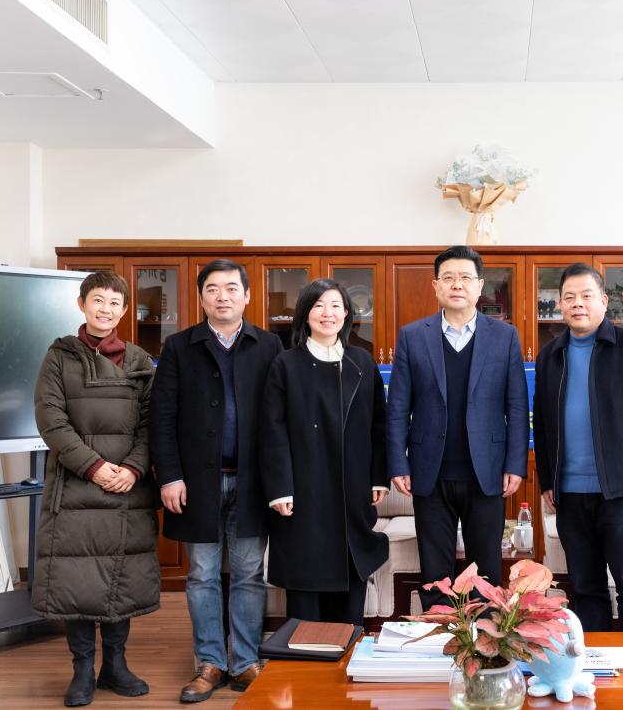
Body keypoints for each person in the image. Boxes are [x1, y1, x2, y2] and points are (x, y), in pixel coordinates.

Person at [150, 259, 284, 703]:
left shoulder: (269, 345)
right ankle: (210, 663)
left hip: (252, 482)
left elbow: (281, 418)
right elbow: (162, 418)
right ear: (201, 297)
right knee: (202, 575)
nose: (222, 296)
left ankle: (244, 661)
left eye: (231, 288)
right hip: (196, 483)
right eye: (212, 289)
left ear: (247, 295)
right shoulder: (178, 346)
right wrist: (170, 476)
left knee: (249, 574)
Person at [32, 271, 158, 707]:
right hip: (76, 486)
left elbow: (151, 424)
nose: (106, 309)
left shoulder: (139, 361)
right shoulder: (59, 357)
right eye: (98, 300)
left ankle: (116, 666)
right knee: (77, 581)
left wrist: (134, 468)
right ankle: (83, 669)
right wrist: (95, 466)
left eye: (114, 303)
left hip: (128, 487)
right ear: (81, 304)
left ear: (124, 310)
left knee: (123, 578)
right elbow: (50, 420)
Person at [386, 245, 529, 610]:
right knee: (435, 575)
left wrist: (515, 464)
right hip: (429, 473)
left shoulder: (504, 336)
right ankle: (439, 639)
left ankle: (485, 640)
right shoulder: (413, 336)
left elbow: (516, 405)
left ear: (479, 286)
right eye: (448, 277)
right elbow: (398, 407)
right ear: (436, 286)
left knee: (486, 575)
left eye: (465, 277)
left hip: (487, 472)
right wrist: (398, 463)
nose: (457, 284)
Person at [532, 263, 623, 632]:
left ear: (604, 301)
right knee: (585, 587)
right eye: (569, 297)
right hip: (569, 493)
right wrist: (547, 480)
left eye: (586, 296)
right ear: (560, 305)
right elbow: (541, 422)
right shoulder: (550, 355)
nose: (578, 303)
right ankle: (594, 661)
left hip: (621, 490)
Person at [259, 279, 389, 625]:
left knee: (350, 576)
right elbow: (272, 430)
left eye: (334, 305)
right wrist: (280, 488)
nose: (327, 313)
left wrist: (378, 477)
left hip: (352, 487)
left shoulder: (361, 361)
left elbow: (379, 424)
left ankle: (347, 650)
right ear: (305, 314)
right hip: (304, 490)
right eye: (318, 305)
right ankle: (305, 654)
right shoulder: (286, 364)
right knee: (306, 581)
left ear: (346, 314)